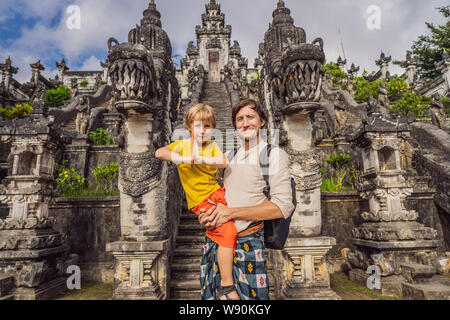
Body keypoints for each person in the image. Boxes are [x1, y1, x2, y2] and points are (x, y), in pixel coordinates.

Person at [198, 99, 294, 300]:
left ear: (262, 122)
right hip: (217, 241)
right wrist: (207, 215)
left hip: (247, 242)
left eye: (250, 117)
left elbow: (282, 206)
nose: (245, 123)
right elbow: (221, 197)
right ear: (235, 126)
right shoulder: (228, 158)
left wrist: (231, 213)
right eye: (239, 119)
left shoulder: (273, 155)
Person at [155, 103, 240, 300]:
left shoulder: (211, 147)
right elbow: (159, 153)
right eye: (198, 125)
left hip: (218, 194)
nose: (203, 130)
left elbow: (223, 162)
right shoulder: (182, 145)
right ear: (189, 127)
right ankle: (227, 285)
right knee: (228, 231)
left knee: (240, 226)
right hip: (202, 201)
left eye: (208, 126)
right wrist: (182, 158)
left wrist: (201, 157)